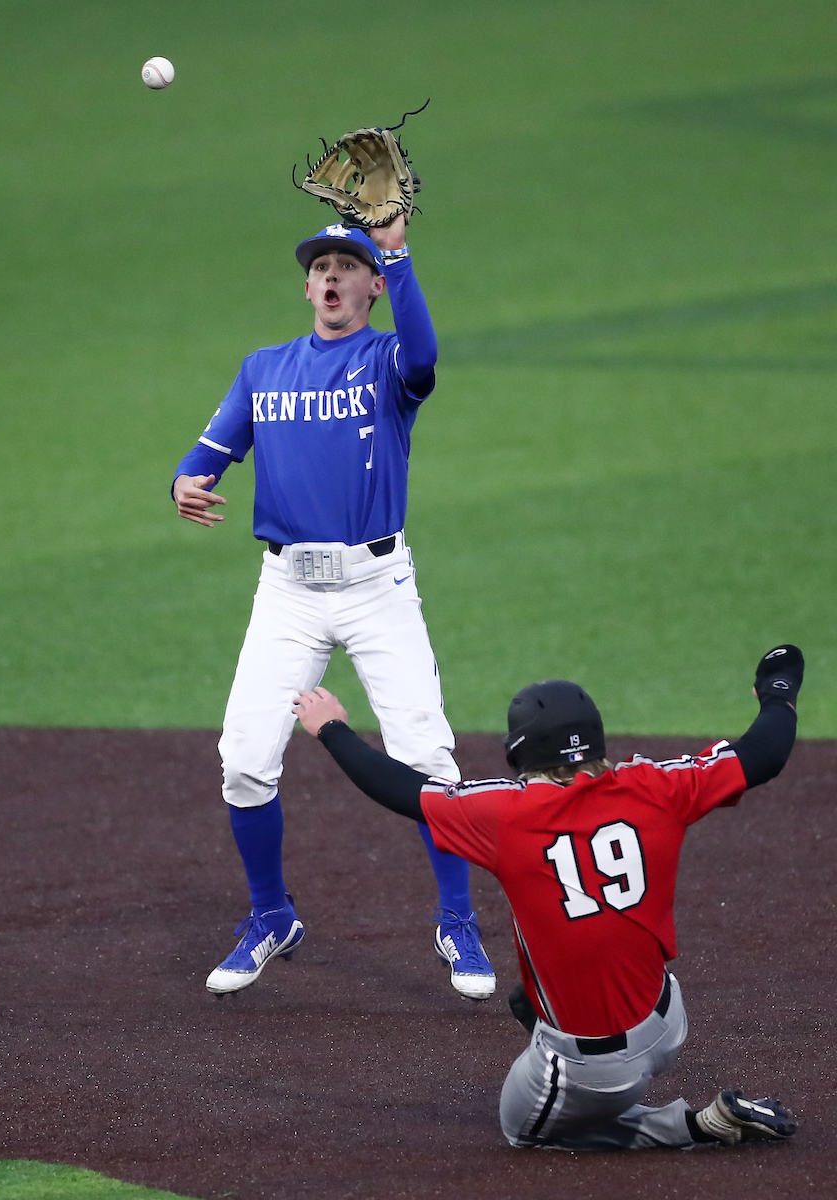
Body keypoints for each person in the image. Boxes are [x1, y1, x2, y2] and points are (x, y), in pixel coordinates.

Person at [292, 645, 804, 1149]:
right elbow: (763, 753)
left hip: (596, 1068)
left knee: (521, 1132)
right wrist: (777, 690)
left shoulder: (507, 815)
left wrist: (331, 728)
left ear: (523, 751)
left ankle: (693, 1126)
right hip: (666, 1019)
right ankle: (589, 1066)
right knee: (529, 995)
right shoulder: (656, 787)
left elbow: (402, 790)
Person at [173, 215, 495, 1000]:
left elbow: (425, 355)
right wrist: (185, 481)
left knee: (426, 756)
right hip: (286, 592)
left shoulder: (387, 360)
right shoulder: (264, 369)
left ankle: (457, 923)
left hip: (377, 588)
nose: (330, 277)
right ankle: (270, 916)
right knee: (244, 760)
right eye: (320, 266)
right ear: (306, 283)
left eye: (348, 267)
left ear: (373, 287)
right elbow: (210, 452)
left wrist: (399, 251)